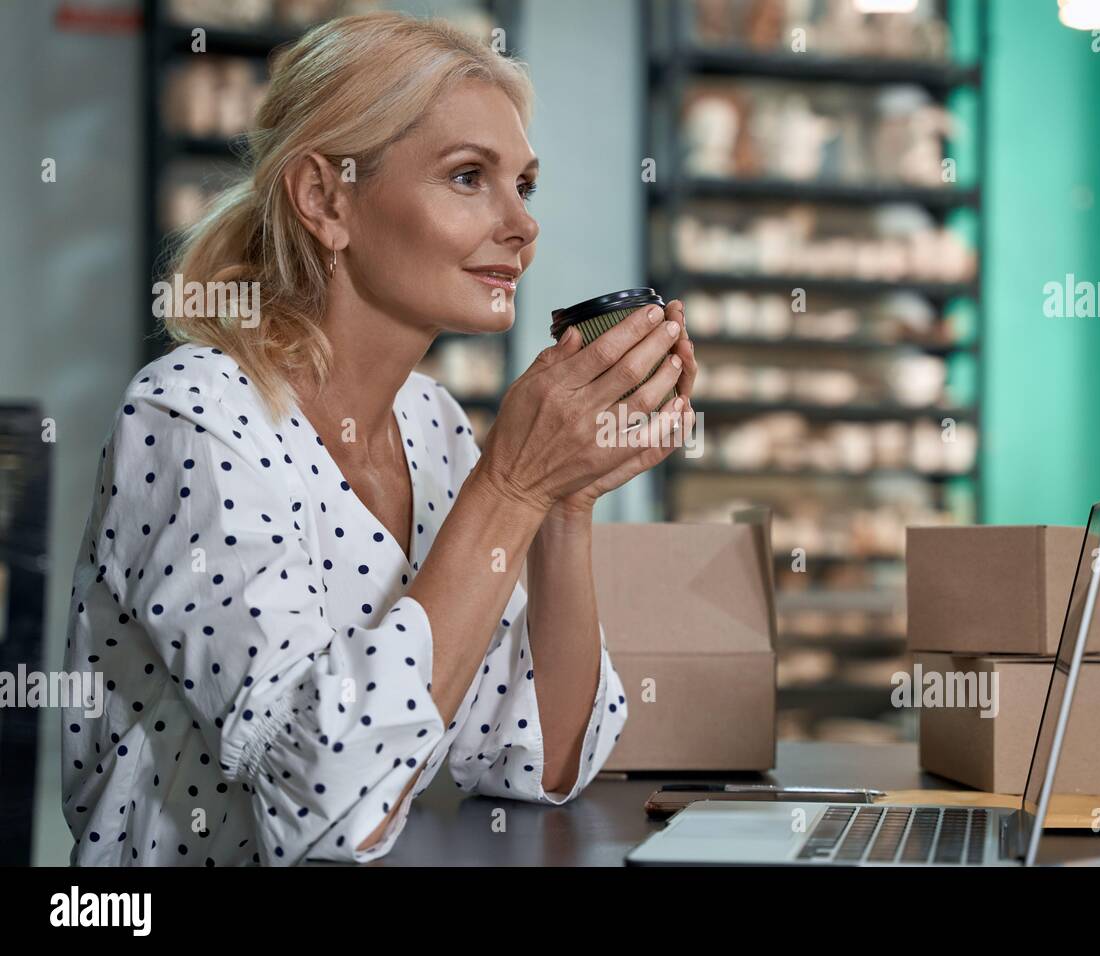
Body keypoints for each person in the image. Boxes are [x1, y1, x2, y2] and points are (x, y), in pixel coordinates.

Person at [61, 12, 696, 866]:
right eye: (469, 176)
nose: (521, 225)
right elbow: (326, 809)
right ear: (326, 199)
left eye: (525, 185)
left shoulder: (432, 427)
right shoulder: (192, 418)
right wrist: (510, 487)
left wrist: (562, 500)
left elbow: (536, 759)